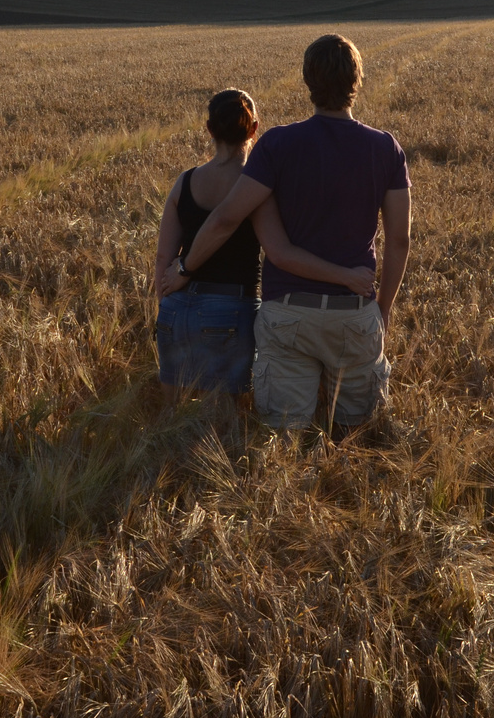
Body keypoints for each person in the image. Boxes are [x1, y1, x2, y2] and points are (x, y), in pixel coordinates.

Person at [161, 36, 410, 430]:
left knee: (284, 440)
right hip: (354, 313)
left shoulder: (277, 144)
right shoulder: (386, 149)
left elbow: (227, 219)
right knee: (357, 435)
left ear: (308, 80)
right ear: (357, 80)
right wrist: (383, 310)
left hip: (287, 314)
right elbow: (399, 240)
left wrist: (185, 267)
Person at [154, 88, 373, 401]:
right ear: (255, 128)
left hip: (175, 308)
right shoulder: (255, 189)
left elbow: (163, 257)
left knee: (171, 419)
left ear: (209, 129)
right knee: (222, 426)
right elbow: (280, 253)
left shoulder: (184, 182)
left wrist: (168, 308)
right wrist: (346, 276)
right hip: (228, 313)